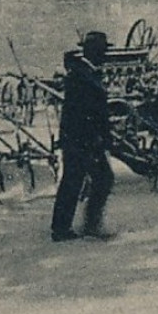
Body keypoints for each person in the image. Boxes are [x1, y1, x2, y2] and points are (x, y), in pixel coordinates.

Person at [50, 29, 116, 242]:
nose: (104, 55)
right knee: (89, 179)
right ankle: (81, 226)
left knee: (80, 180)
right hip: (82, 141)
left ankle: (74, 226)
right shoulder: (81, 77)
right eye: (102, 51)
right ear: (93, 52)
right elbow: (83, 113)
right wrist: (97, 137)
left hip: (81, 140)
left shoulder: (86, 74)